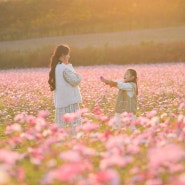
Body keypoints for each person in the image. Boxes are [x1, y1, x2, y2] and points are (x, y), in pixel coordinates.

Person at [48, 44, 82, 133]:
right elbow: (75, 80)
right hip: (69, 103)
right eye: (68, 54)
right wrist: (72, 68)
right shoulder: (64, 68)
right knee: (73, 128)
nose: (69, 56)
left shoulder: (56, 67)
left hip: (61, 102)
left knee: (62, 128)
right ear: (63, 55)